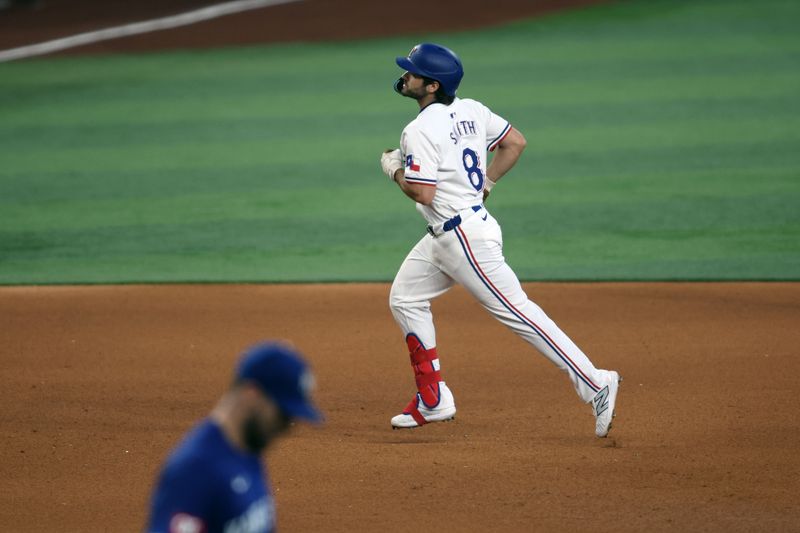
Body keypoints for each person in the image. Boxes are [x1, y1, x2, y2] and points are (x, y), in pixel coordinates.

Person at [379, 43, 620, 437]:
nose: (405, 75)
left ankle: (595, 381)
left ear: (431, 86)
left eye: (412, 72)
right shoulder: (473, 109)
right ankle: (433, 398)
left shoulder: (419, 129)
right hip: (453, 233)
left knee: (519, 313)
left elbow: (422, 192)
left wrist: (393, 169)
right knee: (405, 298)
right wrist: (486, 184)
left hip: (464, 240)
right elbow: (515, 142)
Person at [146, 342, 322, 533]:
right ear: (252, 393)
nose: (287, 428)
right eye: (283, 415)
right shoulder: (196, 469)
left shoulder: (247, 450)